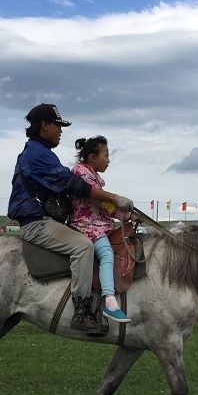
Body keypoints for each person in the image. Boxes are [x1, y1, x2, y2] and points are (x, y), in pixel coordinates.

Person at [8, 103, 134, 334]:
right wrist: (114, 198)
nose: (61, 131)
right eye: (58, 126)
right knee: (83, 246)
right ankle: (82, 312)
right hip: (37, 223)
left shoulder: (41, 152)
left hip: (44, 219)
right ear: (45, 126)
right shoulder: (38, 154)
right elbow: (73, 185)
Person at [69, 136, 131, 323]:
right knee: (106, 254)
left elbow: (105, 206)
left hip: (98, 224)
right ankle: (110, 302)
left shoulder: (93, 175)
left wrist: (127, 216)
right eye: (106, 155)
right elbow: (100, 201)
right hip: (86, 225)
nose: (109, 160)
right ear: (92, 157)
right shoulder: (81, 172)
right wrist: (122, 209)